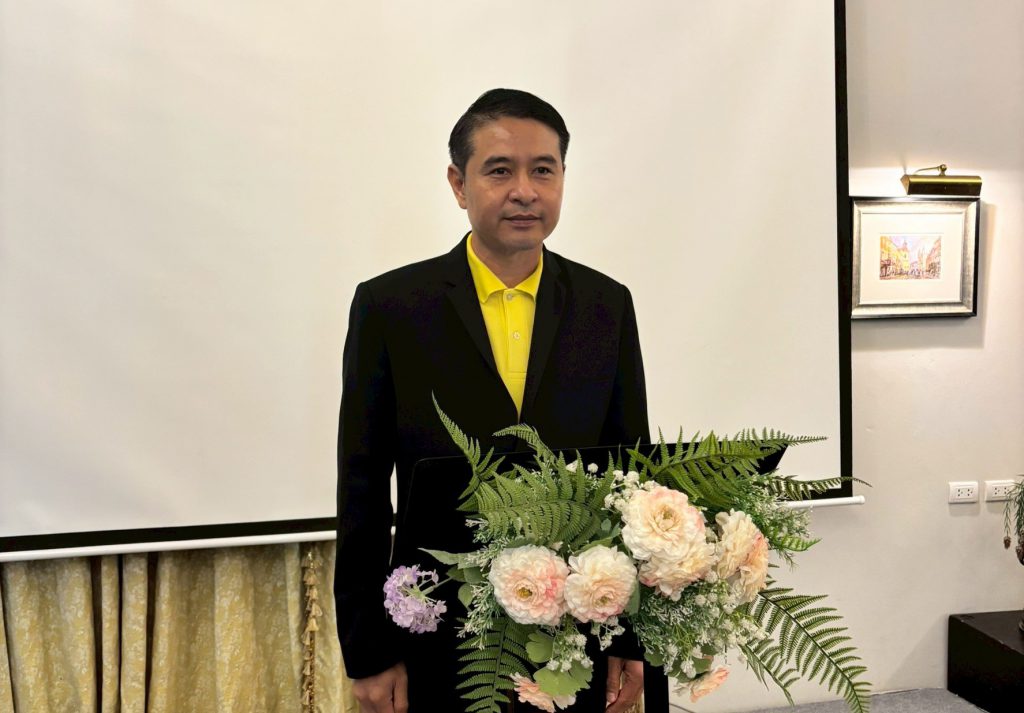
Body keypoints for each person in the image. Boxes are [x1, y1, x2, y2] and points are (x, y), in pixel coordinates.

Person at [336, 88, 666, 713]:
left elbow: (633, 475)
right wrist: (368, 649)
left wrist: (632, 638)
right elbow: (362, 488)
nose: (524, 191)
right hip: (438, 626)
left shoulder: (606, 305)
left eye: (543, 170)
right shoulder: (391, 307)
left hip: (578, 629)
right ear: (459, 185)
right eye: (499, 171)